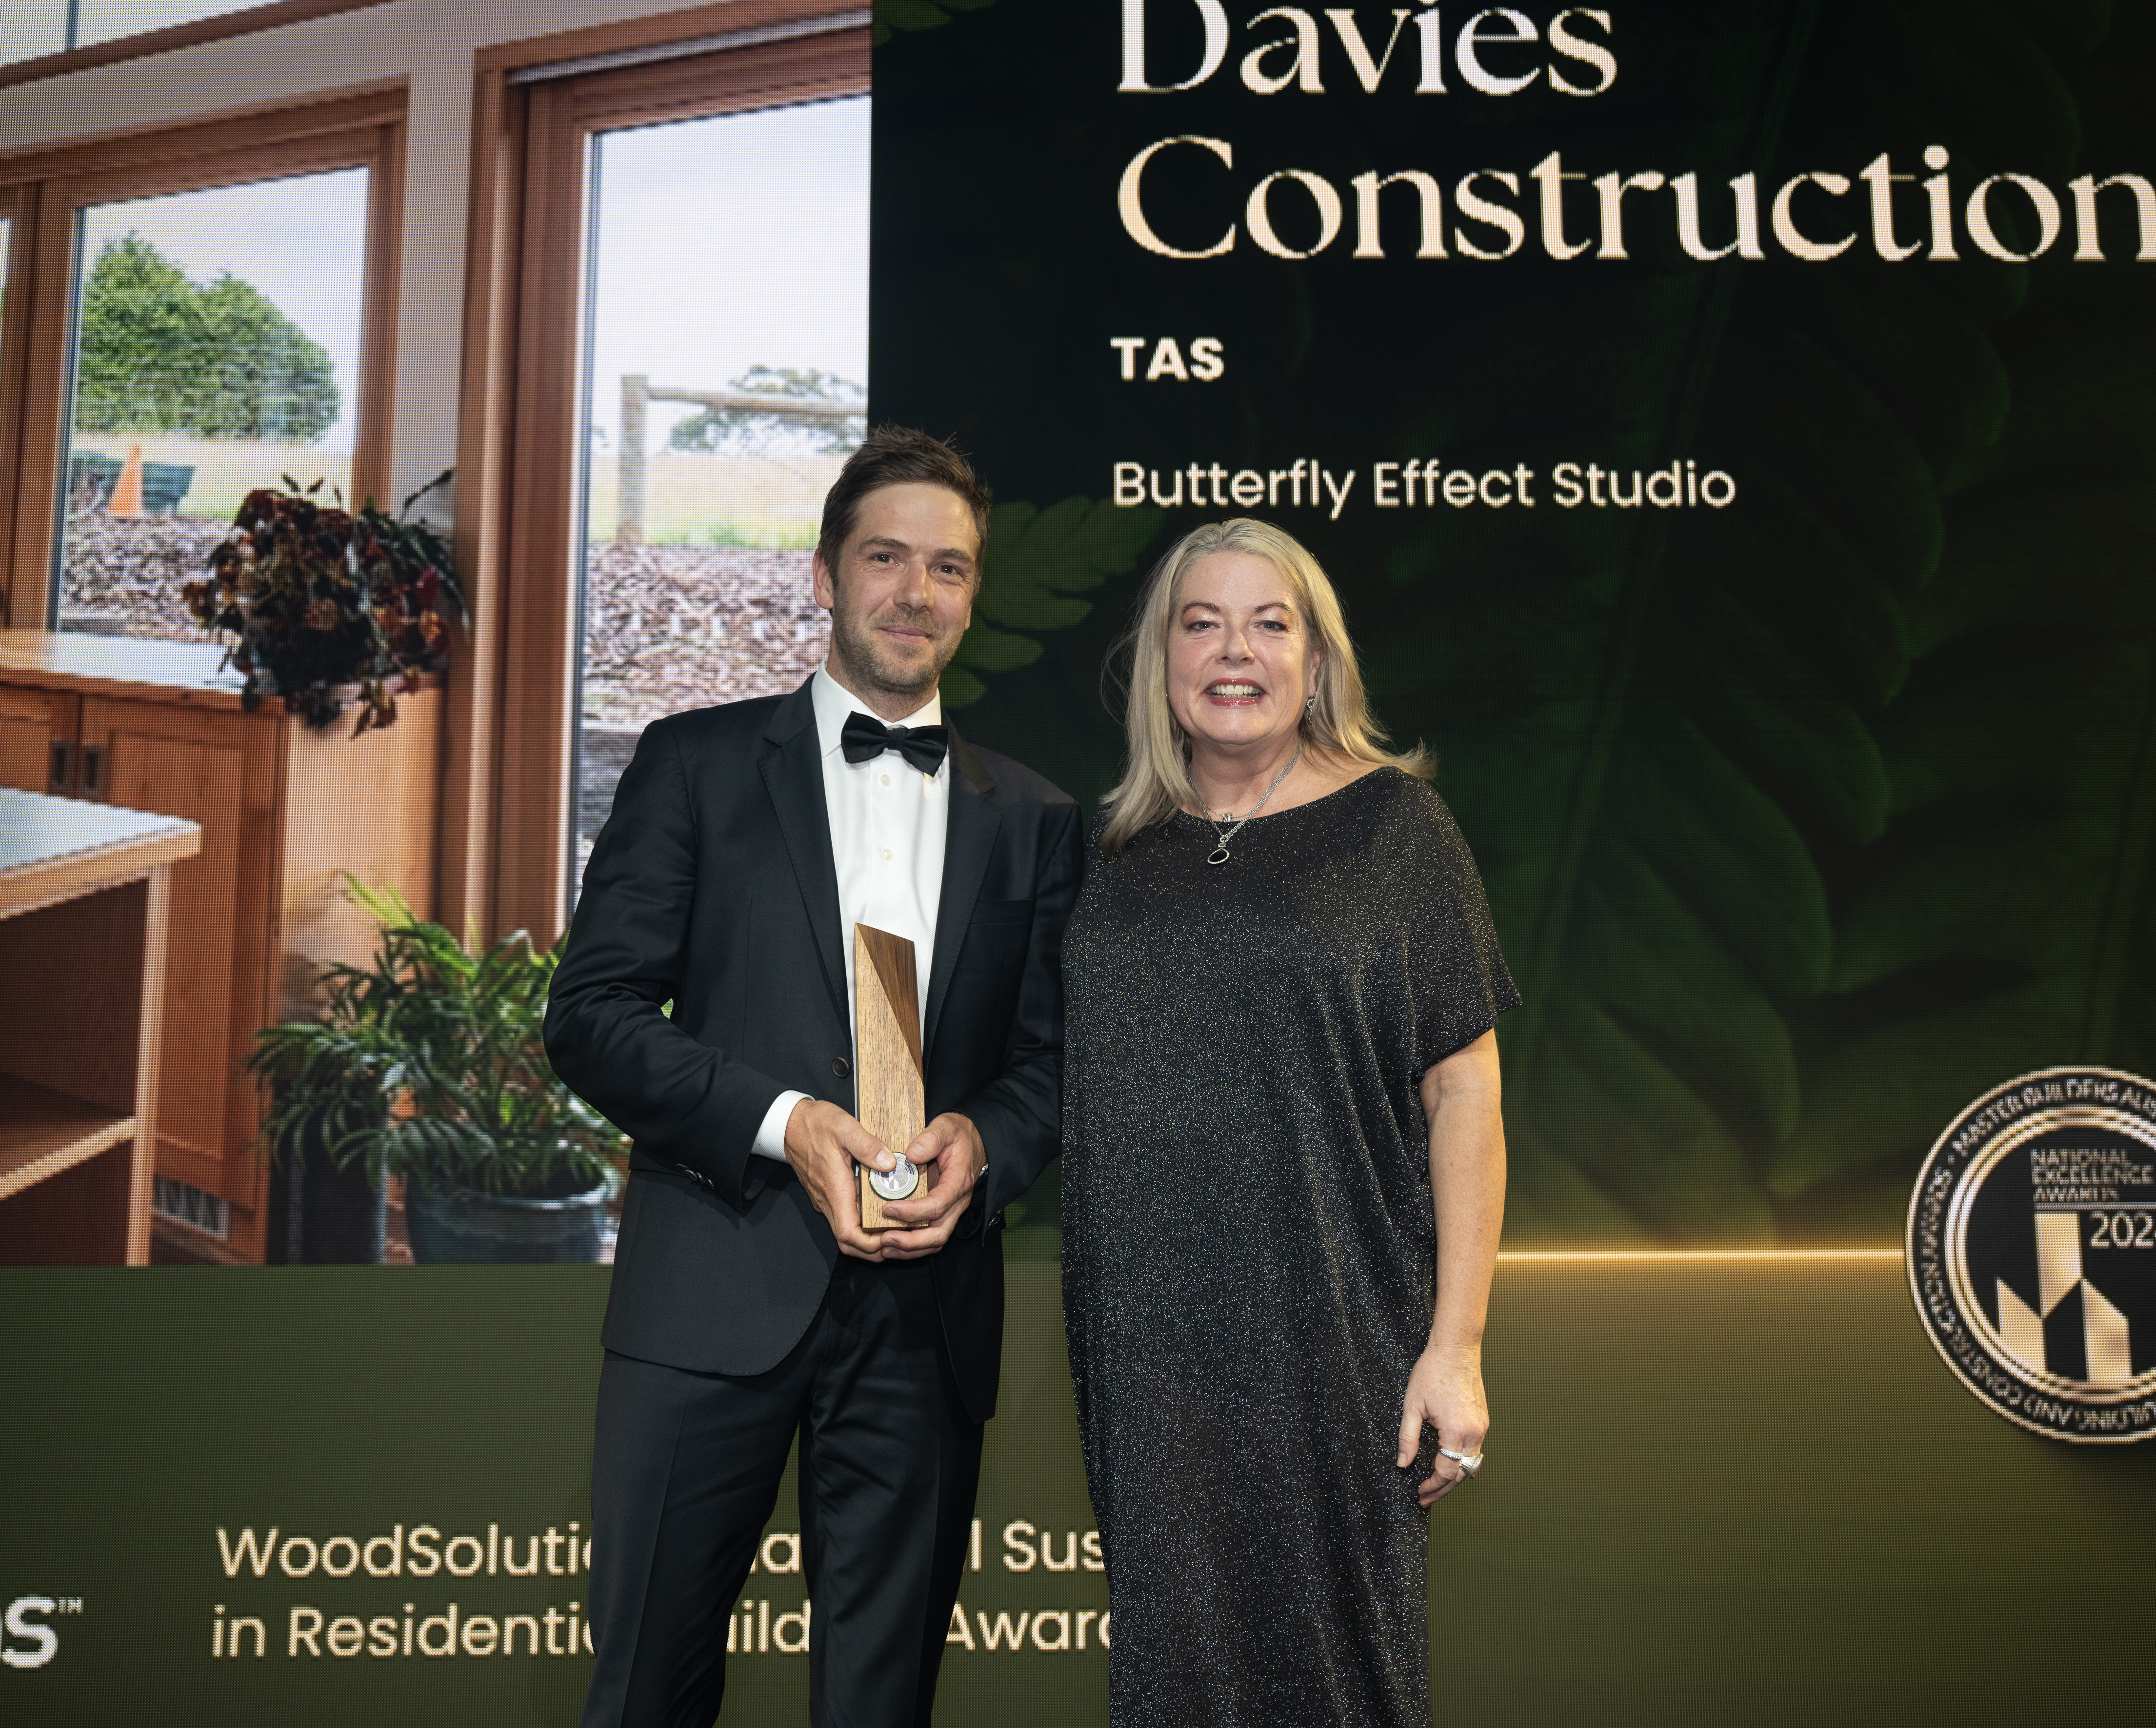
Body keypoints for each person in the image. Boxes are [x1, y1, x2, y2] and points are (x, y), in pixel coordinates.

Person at [545, 426, 1082, 1728]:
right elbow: (593, 1017)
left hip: (923, 1322)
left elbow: (1049, 1066)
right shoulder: (694, 763)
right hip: (708, 1297)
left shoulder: (1039, 817)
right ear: (825, 575)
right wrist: (789, 1125)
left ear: (970, 592)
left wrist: (980, 1145)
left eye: (948, 568)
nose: (916, 591)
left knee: (881, 1705)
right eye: (886, 557)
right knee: (644, 1695)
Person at [1060, 517, 1517, 1727]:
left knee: (1341, 1680)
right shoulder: (1118, 853)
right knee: (1173, 1685)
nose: (1235, 650)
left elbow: (1466, 1088)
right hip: (1150, 1356)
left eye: (1271, 623)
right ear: (1163, 658)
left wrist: (1455, 1345)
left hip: (1338, 1336)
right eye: (1201, 622)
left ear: (1319, 661)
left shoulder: (1397, 829)